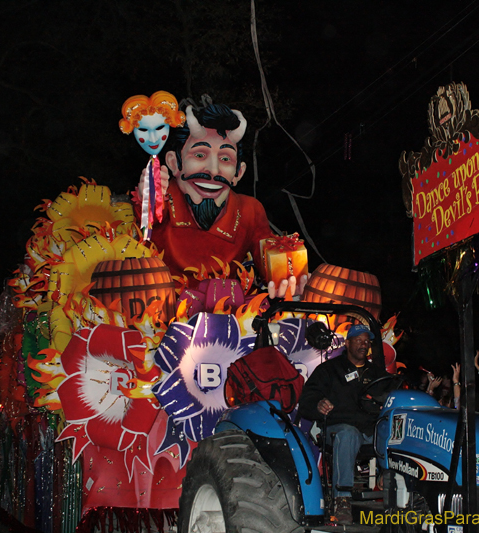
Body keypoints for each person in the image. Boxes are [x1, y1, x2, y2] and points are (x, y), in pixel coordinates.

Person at [153, 101, 304, 296]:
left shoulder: (249, 211)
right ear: (174, 163)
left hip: (226, 316)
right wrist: (148, 197)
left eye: (225, 159)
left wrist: (287, 273)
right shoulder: (160, 200)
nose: (214, 170)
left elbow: (268, 253)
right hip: (157, 316)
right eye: (200, 154)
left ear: (238, 172)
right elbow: (143, 222)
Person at [298, 324, 388, 524]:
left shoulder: (377, 373)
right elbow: (306, 401)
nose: (364, 344)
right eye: (359, 340)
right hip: (338, 427)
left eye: (367, 341)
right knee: (348, 434)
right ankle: (342, 500)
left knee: (393, 430)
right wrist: (318, 404)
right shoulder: (328, 370)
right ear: (347, 343)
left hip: (369, 428)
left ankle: (391, 481)